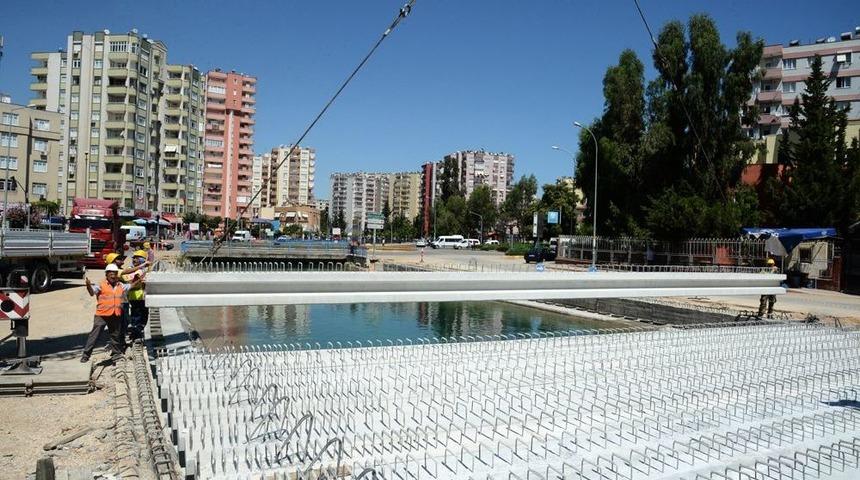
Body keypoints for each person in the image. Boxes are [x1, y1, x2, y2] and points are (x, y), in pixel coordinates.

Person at [80, 264, 142, 363]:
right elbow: (92, 292)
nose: (113, 276)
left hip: (115, 314)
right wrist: (88, 286)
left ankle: (116, 354)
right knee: (94, 335)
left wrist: (138, 280)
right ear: (107, 274)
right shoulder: (101, 285)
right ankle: (86, 355)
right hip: (102, 315)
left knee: (115, 336)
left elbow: (130, 286)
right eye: (111, 274)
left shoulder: (120, 285)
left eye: (115, 274)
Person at [127, 250, 150, 342]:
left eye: (137, 258)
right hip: (134, 296)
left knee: (144, 314)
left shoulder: (146, 269)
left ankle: (140, 330)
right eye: (134, 258)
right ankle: (136, 334)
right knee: (136, 315)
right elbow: (130, 281)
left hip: (143, 296)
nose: (135, 260)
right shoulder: (130, 269)